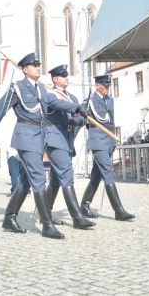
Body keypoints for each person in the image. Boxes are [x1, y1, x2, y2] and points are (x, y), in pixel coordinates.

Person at [0, 52, 84, 239]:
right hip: (26, 137)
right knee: (38, 178)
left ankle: (9, 217)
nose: (38, 67)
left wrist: (76, 108)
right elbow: (0, 109)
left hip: (40, 138)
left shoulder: (42, 90)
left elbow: (57, 102)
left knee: (26, 180)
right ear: (24, 69)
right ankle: (47, 225)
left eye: (39, 64)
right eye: (34, 64)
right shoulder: (17, 88)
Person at [41, 64, 95, 230]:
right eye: (63, 75)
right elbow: (58, 105)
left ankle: (47, 214)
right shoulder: (50, 94)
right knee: (66, 174)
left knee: (56, 180)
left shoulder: (72, 97)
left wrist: (79, 120)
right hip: (55, 140)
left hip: (68, 140)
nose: (67, 78)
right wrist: (76, 109)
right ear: (55, 79)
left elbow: (82, 117)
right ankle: (77, 217)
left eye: (67, 75)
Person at [80, 74, 135, 222]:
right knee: (108, 171)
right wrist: (81, 112)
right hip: (97, 139)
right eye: (105, 86)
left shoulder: (109, 100)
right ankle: (119, 211)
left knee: (97, 175)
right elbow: (80, 116)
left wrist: (113, 140)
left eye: (108, 86)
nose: (107, 89)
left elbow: (112, 120)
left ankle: (84, 206)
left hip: (108, 139)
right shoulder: (89, 101)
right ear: (98, 85)